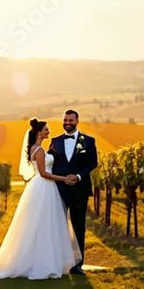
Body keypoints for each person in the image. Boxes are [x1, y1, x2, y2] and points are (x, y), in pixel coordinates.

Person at [0, 119, 82, 280]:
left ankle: (44, 260)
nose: (48, 132)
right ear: (38, 132)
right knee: (42, 223)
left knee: (44, 224)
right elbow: (44, 173)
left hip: (44, 187)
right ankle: (41, 263)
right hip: (44, 186)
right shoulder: (37, 150)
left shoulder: (38, 148)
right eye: (46, 130)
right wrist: (64, 178)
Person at [49, 109, 98, 275]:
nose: (67, 123)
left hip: (80, 190)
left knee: (79, 226)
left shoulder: (89, 141)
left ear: (77, 121)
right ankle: (59, 261)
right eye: (65, 120)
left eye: (70, 120)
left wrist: (77, 176)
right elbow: (49, 163)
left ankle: (78, 263)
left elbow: (93, 163)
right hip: (60, 190)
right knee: (58, 226)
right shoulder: (54, 141)